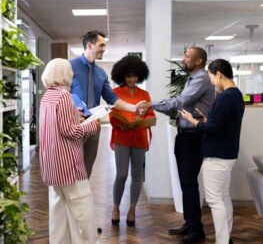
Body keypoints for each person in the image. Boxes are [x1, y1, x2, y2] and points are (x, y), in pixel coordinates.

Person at [139, 47, 215, 243]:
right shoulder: (193, 79)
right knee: (185, 183)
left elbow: (180, 101)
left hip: (193, 137)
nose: (183, 59)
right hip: (185, 135)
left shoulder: (201, 79)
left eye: (187, 56)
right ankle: (190, 224)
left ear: (199, 61)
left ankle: (196, 230)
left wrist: (150, 104)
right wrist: (158, 108)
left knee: (189, 183)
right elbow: (180, 108)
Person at [180, 59, 245, 244]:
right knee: (223, 198)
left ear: (219, 74)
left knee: (215, 201)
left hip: (217, 155)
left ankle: (222, 240)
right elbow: (222, 123)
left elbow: (214, 128)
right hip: (228, 154)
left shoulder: (224, 97)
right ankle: (225, 238)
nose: (211, 81)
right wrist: (209, 118)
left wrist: (193, 120)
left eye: (211, 77)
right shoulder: (236, 95)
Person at [39, 58, 100, 244]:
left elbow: (57, 127)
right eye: (69, 71)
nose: (72, 75)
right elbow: (70, 131)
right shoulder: (64, 96)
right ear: (64, 74)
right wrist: (92, 125)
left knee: (58, 212)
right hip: (68, 165)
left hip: (52, 164)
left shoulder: (47, 96)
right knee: (82, 211)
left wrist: (77, 119)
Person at [70, 30, 144, 178]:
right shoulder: (69, 67)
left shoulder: (101, 73)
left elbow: (112, 98)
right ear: (90, 45)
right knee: (71, 168)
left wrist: (133, 107)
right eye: (101, 45)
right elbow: (61, 94)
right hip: (74, 125)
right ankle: (70, 200)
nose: (104, 49)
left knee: (86, 169)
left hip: (94, 126)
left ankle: (82, 200)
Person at [108, 56, 155, 227]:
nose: (132, 79)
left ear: (140, 76)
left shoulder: (145, 94)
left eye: (135, 76)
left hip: (139, 137)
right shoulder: (116, 93)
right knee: (121, 175)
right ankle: (115, 207)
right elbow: (112, 115)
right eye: (128, 76)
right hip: (122, 136)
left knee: (137, 175)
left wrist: (144, 119)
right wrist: (122, 124)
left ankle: (132, 209)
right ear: (122, 76)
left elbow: (151, 115)